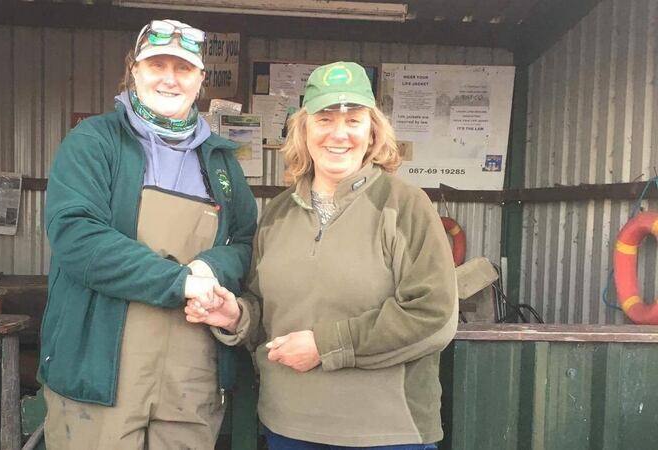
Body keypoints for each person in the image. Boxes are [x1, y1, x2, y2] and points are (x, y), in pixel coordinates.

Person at [186, 61, 458, 449]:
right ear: (304, 130)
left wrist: (326, 346)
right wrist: (237, 316)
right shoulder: (278, 212)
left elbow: (434, 316)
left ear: (373, 131)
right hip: (288, 426)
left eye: (354, 120)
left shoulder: (406, 206)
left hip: (387, 432)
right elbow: (267, 311)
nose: (339, 134)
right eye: (325, 119)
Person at [39, 19, 257, 449]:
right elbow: (77, 236)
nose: (169, 79)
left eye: (183, 69)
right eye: (157, 65)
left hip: (191, 376)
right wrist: (180, 282)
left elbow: (246, 242)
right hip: (102, 372)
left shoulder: (221, 163)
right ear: (134, 72)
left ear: (200, 81)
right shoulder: (94, 142)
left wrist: (211, 265)